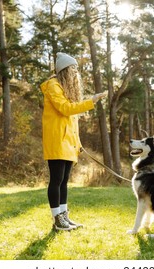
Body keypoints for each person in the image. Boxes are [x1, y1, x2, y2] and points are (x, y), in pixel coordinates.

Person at [40, 52, 107, 231]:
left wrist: (77, 143)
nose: (76, 72)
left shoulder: (64, 89)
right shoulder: (53, 86)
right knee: (56, 179)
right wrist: (91, 101)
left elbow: (72, 122)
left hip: (68, 142)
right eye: (73, 68)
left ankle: (64, 217)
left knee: (64, 181)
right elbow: (66, 109)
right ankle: (57, 220)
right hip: (57, 140)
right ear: (64, 70)